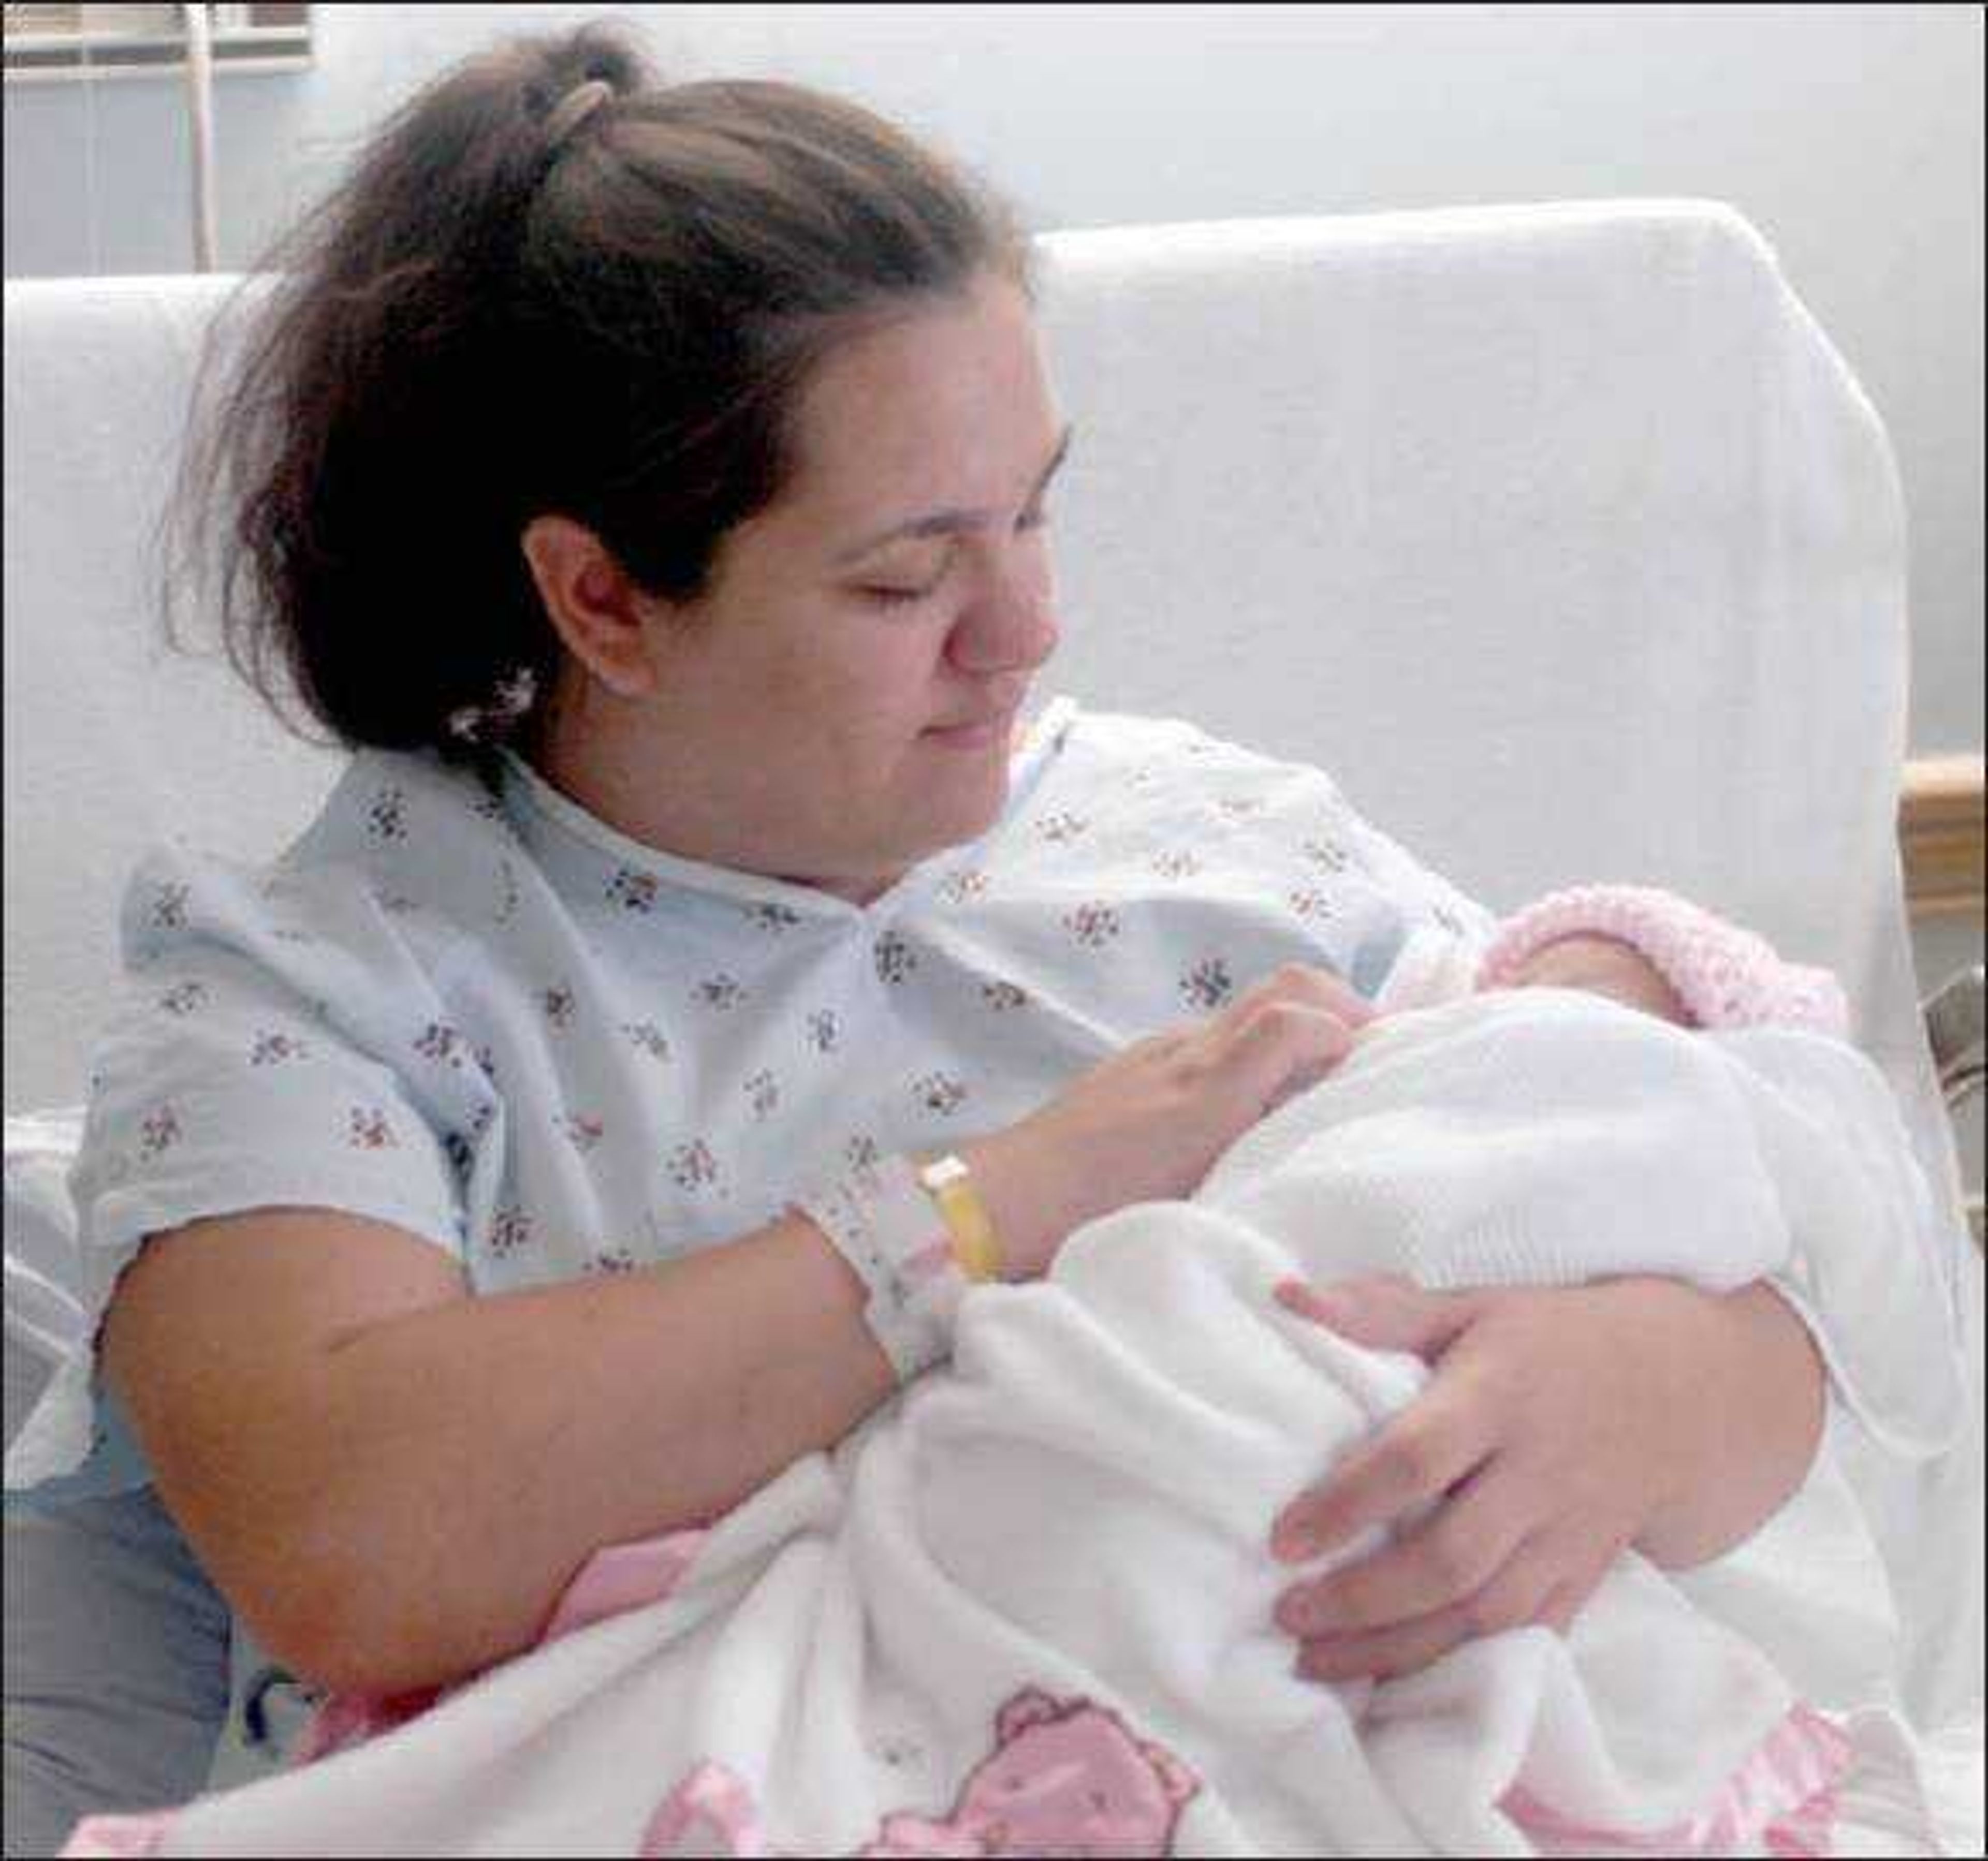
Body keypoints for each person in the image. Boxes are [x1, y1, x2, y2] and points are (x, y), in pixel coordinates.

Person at [8, 17, 1839, 1818]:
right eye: (905, 574)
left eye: (1034, 514)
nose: (1026, 628)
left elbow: (1650, 1163)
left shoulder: (1221, 850)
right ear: (603, 600)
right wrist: (1011, 1200)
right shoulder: (328, 988)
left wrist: (1649, 1393)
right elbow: (353, 1526)